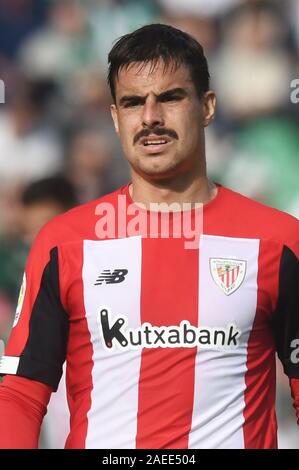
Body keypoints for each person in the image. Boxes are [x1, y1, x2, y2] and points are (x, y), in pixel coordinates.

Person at [0, 24, 298, 449]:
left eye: (171, 97)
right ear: (115, 118)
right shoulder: (64, 243)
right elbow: (21, 394)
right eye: (133, 102)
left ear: (207, 106)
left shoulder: (280, 240)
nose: (151, 117)